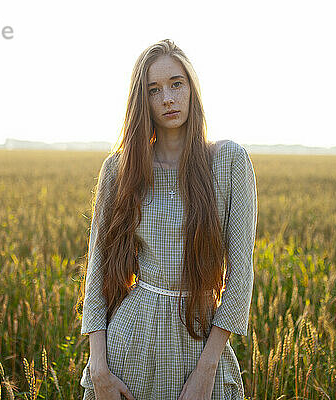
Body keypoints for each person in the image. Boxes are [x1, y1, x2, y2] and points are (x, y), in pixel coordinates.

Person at [77, 38, 258, 400]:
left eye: (176, 84)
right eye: (154, 90)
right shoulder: (119, 169)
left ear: (192, 87)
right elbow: (97, 270)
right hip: (130, 342)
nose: (168, 99)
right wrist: (98, 369)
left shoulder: (229, 162)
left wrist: (207, 371)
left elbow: (240, 277)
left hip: (200, 339)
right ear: (142, 101)